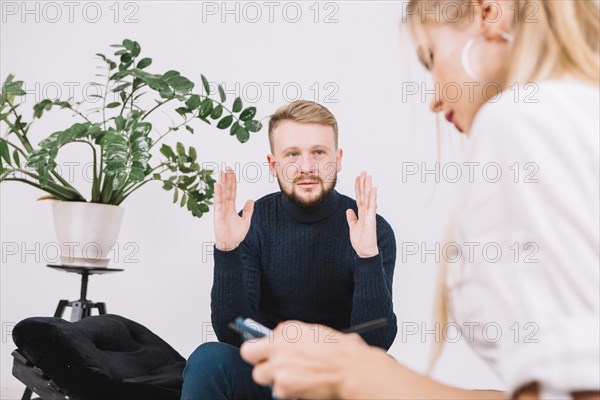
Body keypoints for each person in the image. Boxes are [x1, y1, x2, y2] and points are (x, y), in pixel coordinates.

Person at [240, 1, 600, 399]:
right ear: (272, 163)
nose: (433, 99)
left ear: (489, 14)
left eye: (430, 60)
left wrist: (360, 376)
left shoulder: (520, 123)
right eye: (292, 154)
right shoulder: (576, 114)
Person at [181, 100, 398, 399]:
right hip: (268, 376)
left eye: (319, 153)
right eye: (293, 154)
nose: (306, 167)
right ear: (273, 164)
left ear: (338, 158)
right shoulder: (253, 224)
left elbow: (376, 345)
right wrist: (228, 250)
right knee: (209, 358)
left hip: (335, 383)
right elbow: (231, 335)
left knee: (385, 370)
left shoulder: (372, 229)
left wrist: (367, 257)